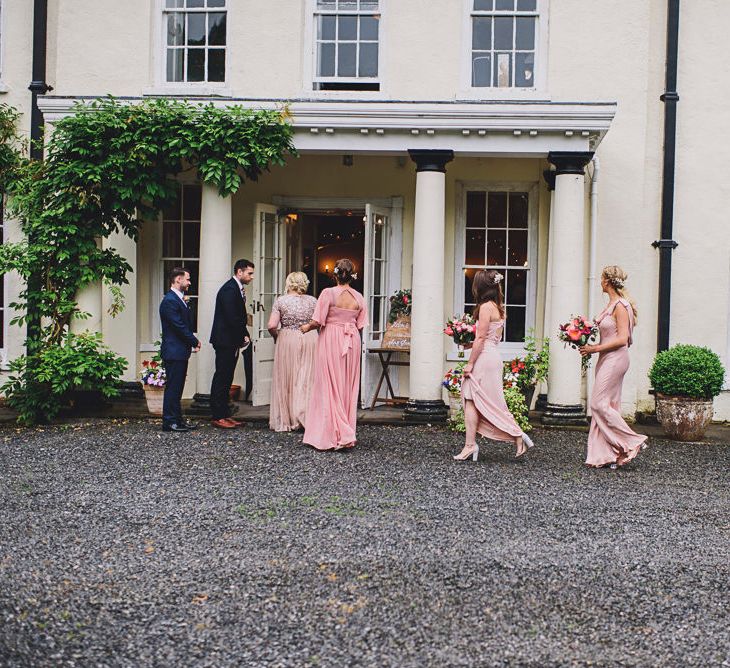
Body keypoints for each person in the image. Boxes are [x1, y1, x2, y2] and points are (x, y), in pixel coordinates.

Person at [455, 269, 534, 461]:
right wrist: (467, 343)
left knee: (477, 399)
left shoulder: (484, 308)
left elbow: (482, 337)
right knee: (482, 400)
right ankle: (510, 437)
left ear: (480, 287)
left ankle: (476, 444)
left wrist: (470, 363)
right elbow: (489, 338)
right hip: (492, 356)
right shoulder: (498, 307)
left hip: (484, 358)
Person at [580, 265, 647, 468]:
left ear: (607, 281)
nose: (600, 282)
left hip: (616, 359)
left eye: (601, 278)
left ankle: (631, 441)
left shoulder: (621, 305)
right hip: (605, 358)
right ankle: (606, 455)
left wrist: (595, 348)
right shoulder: (610, 304)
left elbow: (622, 339)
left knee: (598, 404)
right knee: (608, 405)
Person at [301, 258, 367, 451]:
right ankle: (344, 432)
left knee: (328, 383)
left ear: (335, 274)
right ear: (352, 276)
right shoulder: (359, 297)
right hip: (351, 340)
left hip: (331, 337)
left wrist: (306, 327)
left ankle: (331, 434)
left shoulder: (327, 293)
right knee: (346, 384)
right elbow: (361, 324)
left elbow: (317, 320)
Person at [267, 272, 318, 431]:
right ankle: (307, 417)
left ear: (289, 283)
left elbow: (271, 326)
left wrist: (277, 337)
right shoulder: (313, 300)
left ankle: (288, 418)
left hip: (288, 339)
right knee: (307, 377)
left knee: (288, 377)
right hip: (309, 338)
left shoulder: (281, 301)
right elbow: (318, 322)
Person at [209, 259, 254, 429]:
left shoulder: (236, 288)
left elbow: (238, 317)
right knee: (222, 376)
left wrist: (243, 333)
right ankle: (217, 416)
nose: (251, 277)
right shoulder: (229, 289)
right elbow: (232, 317)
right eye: (249, 273)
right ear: (239, 272)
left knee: (227, 377)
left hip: (230, 339)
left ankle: (225, 414)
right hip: (225, 340)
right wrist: (242, 335)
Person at [159, 267, 200, 433]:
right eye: (187, 279)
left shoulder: (178, 299)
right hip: (174, 350)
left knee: (177, 387)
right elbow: (178, 325)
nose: (189, 282)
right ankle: (169, 421)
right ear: (178, 280)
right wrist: (193, 340)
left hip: (179, 350)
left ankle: (178, 420)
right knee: (173, 388)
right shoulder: (170, 301)